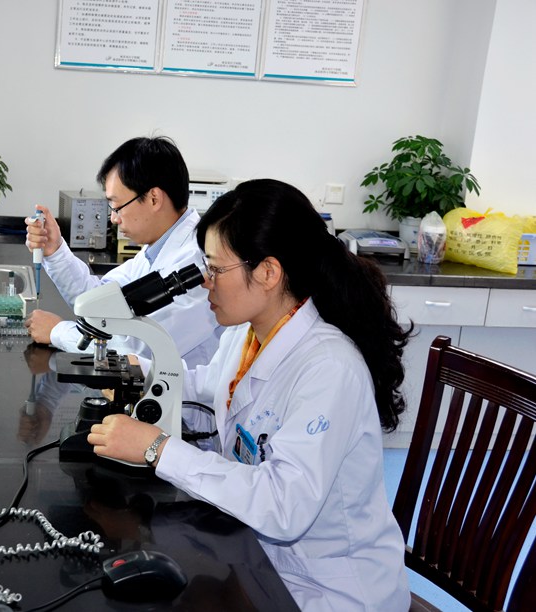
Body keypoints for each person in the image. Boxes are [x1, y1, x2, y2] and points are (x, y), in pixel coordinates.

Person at [86, 179, 412, 610]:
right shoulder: (248, 334)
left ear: (268, 272)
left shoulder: (329, 369)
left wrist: (158, 449)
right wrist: (140, 369)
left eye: (216, 270)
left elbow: (283, 505)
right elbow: (210, 386)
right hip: (261, 559)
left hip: (330, 589)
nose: (206, 283)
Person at [24, 136, 223, 368]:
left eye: (117, 206)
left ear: (154, 198)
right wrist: (55, 250)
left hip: (181, 390)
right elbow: (100, 301)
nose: (113, 218)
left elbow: (140, 349)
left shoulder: (199, 262)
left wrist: (58, 332)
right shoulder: (156, 249)